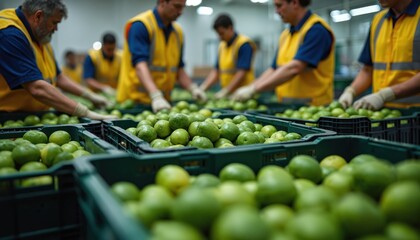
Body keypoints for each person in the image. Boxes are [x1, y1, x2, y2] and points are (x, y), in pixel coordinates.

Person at [0, 0, 114, 120]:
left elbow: (58, 77)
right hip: (9, 118)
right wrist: (84, 112)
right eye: (54, 23)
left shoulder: (41, 38)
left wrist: (90, 95)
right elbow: (36, 87)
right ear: (38, 16)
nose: (56, 29)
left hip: (38, 118)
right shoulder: (8, 33)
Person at [232, 0, 335, 106]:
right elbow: (274, 69)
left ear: (295, 3)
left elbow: (295, 67)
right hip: (286, 107)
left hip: (313, 108)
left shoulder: (316, 30)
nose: (276, 11)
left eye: (279, 6)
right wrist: (251, 86)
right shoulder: (285, 35)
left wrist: (255, 89)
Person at [116, 0, 207, 113]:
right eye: (177, 6)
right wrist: (155, 95)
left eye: (183, 7)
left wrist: (193, 88)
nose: (181, 12)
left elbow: (179, 68)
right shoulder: (141, 25)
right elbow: (140, 65)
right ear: (162, 2)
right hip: (134, 103)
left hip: (163, 103)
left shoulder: (178, 32)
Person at [339, 0, 420, 110]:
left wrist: (385, 95)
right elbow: (368, 69)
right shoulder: (378, 20)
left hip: (414, 112)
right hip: (381, 112)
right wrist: (351, 91)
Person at [198, 13, 256, 99]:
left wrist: (226, 91)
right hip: (228, 95)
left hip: (243, 95)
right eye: (218, 34)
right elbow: (216, 71)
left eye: (222, 33)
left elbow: (242, 72)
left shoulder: (244, 44)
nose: (219, 37)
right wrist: (203, 88)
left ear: (230, 28)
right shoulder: (222, 46)